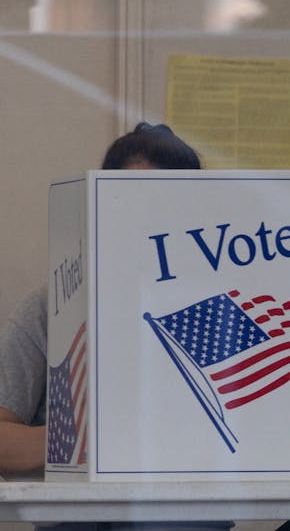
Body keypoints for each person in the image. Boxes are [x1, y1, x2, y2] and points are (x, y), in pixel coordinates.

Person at [0, 123, 202, 478]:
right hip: (79, 516)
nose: (144, 216)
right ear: (98, 204)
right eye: (125, 198)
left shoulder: (215, 306)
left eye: (163, 201)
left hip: (190, 514)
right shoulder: (51, 306)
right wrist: (94, 441)